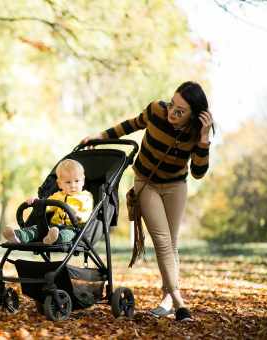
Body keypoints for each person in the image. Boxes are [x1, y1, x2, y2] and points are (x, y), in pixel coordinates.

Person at [80, 81, 214, 322]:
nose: (172, 112)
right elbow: (130, 125)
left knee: (172, 243)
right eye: (172, 105)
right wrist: (99, 137)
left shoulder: (196, 133)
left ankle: (167, 299)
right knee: (162, 241)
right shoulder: (155, 111)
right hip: (146, 182)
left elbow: (198, 172)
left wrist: (204, 140)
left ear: (194, 115)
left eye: (180, 111)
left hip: (176, 186)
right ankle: (179, 301)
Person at [2, 159, 93, 245]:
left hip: (73, 227)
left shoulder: (85, 197)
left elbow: (87, 212)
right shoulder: (57, 196)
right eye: (68, 182)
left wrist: (78, 216)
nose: (73, 185)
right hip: (53, 226)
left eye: (77, 181)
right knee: (36, 229)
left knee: (66, 234)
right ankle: (17, 236)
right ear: (60, 184)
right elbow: (46, 206)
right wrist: (36, 202)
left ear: (83, 181)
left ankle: (54, 239)